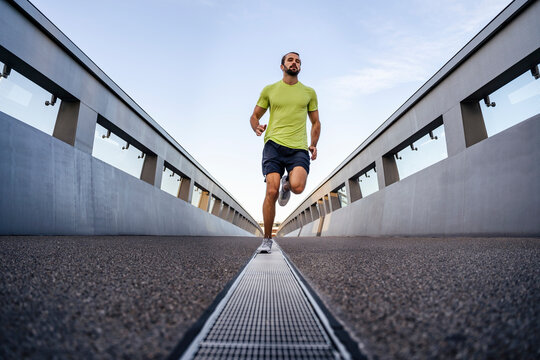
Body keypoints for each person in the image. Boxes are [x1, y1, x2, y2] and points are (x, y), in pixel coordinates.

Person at [249, 51, 321, 253]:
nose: (294, 63)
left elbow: (316, 122)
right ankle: (266, 240)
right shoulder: (270, 90)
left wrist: (314, 143)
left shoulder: (309, 92)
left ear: (300, 67)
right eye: (290, 60)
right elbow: (254, 115)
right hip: (273, 144)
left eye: (298, 61)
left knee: (298, 186)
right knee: (271, 191)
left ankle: (287, 185)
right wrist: (255, 126)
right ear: (282, 66)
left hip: (298, 147)